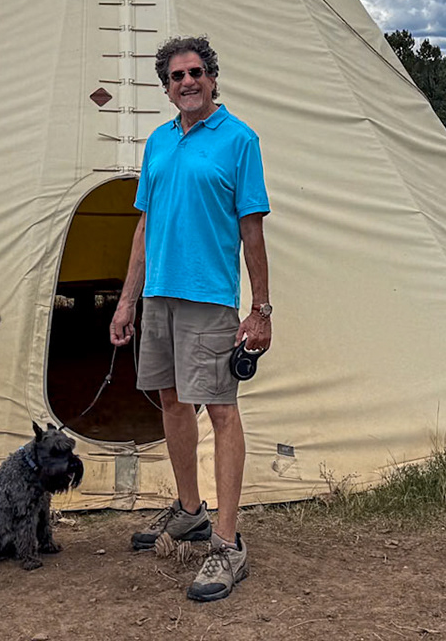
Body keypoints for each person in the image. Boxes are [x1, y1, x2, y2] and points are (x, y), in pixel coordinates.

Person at [110, 35, 272, 603]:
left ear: (212, 77)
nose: (187, 82)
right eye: (177, 76)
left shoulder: (238, 140)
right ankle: (190, 511)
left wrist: (261, 308)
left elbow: (252, 229)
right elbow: (145, 227)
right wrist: (128, 299)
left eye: (196, 72)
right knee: (172, 402)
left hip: (209, 299)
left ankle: (227, 543)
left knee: (222, 411)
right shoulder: (157, 142)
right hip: (160, 295)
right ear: (166, 85)